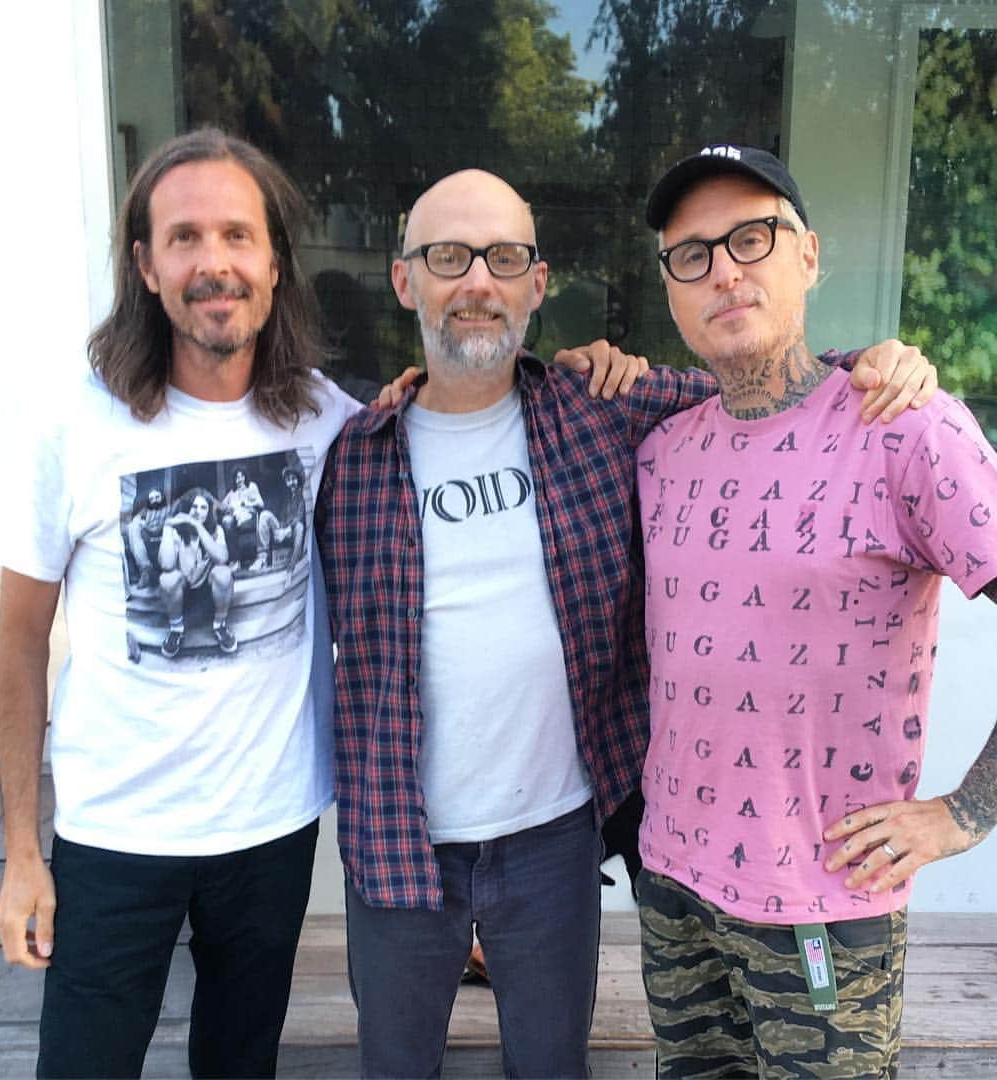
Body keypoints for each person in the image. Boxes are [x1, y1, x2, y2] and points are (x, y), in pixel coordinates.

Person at [315, 167, 934, 1078]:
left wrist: (869, 363)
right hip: (396, 843)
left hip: (555, 843)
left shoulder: (600, 412)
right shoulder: (346, 455)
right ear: (407, 280)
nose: (478, 281)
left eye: (504, 257)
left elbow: (758, 387)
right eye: (449, 256)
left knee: (554, 1067)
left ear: (538, 281)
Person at [0, 128, 363, 1079]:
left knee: (239, 1067)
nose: (214, 263)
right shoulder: (75, 425)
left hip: (271, 830)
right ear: (146, 266)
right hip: (116, 833)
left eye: (237, 236)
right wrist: (25, 856)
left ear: (274, 262)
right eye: (186, 237)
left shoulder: (328, 420)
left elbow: (452, 419)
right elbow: (21, 642)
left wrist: (591, 375)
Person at [633, 143, 997, 1078]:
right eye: (693, 253)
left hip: (827, 905)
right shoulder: (662, 447)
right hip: (674, 887)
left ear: (808, 256)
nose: (724, 269)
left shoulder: (904, 427)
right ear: (671, 287)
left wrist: (965, 814)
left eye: (753, 236)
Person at [158, 486, 236, 657]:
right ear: (186, 508)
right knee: (167, 578)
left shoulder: (216, 532)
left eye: (203, 508)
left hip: (209, 596)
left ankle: (220, 626)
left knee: (223, 573)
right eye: (194, 507)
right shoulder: (176, 533)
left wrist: (197, 526)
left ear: (209, 513)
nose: (197, 511)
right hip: (182, 598)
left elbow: (223, 558)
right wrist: (167, 528)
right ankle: (176, 629)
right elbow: (167, 564)